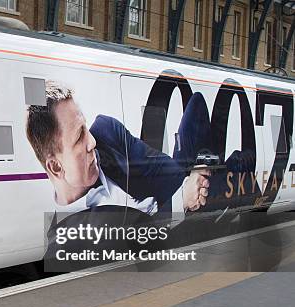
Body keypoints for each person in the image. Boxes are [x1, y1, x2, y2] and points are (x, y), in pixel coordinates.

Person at [25, 81, 209, 216]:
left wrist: (190, 186)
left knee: (197, 104)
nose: (92, 142)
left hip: (187, 189)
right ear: (56, 167)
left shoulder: (106, 132)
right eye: (79, 137)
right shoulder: (67, 233)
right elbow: (139, 243)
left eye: (85, 128)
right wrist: (182, 199)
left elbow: (167, 174)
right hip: (180, 225)